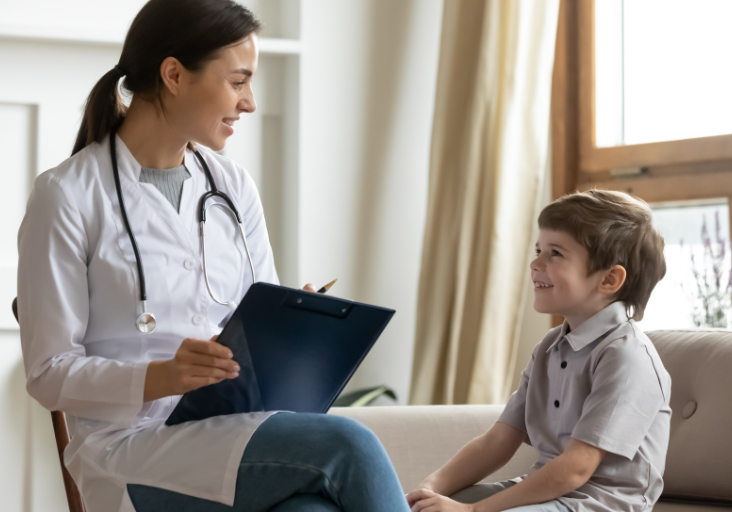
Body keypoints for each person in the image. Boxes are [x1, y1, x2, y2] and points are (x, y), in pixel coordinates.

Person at [17, 1, 410, 511]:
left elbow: (255, 310)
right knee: (349, 443)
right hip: (130, 450)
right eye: (238, 81)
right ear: (175, 74)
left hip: (232, 428)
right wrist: (163, 375)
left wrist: (290, 324)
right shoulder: (67, 195)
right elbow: (49, 374)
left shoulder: (231, 185)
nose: (249, 103)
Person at [406, 189, 672, 512]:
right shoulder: (549, 347)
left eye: (555, 253)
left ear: (609, 279)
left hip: (599, 504)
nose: (535, 264)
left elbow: (576, 467)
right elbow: (498, 441)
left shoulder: (627, 358)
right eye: (538, 250)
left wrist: (473, 511)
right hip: (549, 494)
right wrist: (428, 488)